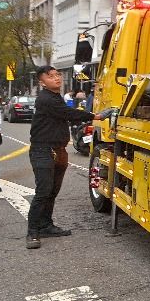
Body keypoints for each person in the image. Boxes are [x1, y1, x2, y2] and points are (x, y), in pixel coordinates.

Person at [26, 65, 103, 250]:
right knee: (43, 191)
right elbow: (69, 113)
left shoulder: (55, 97)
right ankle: (32, 232)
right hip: (43, 151)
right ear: (42, 82)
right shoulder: (46, 99)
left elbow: (67, 115)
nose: (57, 78)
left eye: (57, 75)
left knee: (52, 191)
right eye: (51, 76)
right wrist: (95, 116)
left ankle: (46, 225)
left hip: (58, 150)